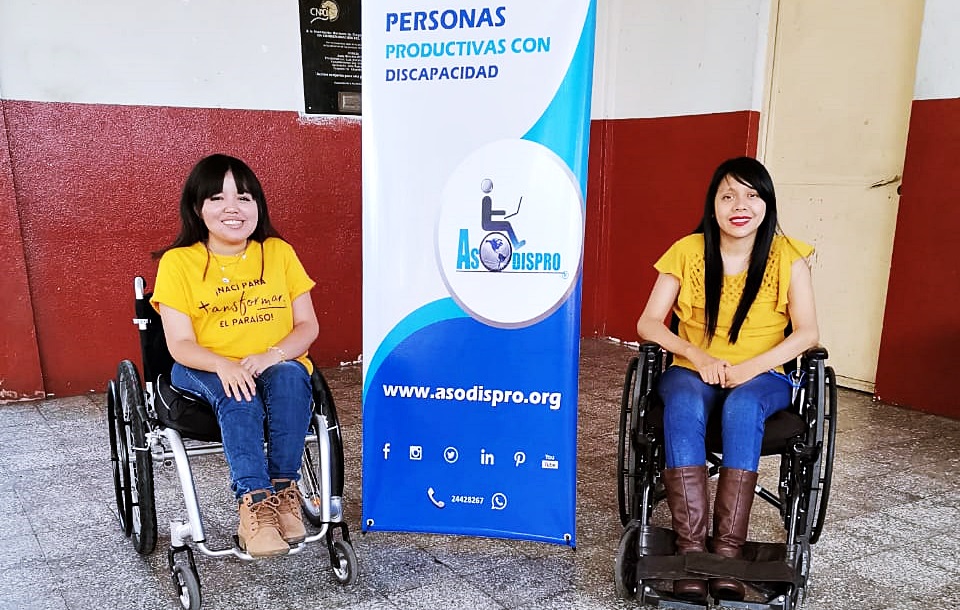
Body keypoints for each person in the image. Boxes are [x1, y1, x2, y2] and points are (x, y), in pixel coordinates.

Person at [635, 157, 818, 602]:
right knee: (682, 402)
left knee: (742, 405)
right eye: (729, 195)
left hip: (763, 376)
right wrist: (696, 355)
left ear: (767, 204)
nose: (741, 205)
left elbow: (809, 333)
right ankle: (692, 552)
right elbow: (649, 324)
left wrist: (750, 369)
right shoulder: (687, 251)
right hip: (693, 371)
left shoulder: (787, 257)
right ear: (713, 204)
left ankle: (727, 553)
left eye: (753, 195)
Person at [151, 154, 320, 558]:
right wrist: (225, 364)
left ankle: (284, 492)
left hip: (271, 360)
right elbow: (180, 344)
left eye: (244, 197)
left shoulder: (278, 253)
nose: (233, 208)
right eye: (217, 198)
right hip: (203, 365)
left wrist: (270, 355)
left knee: (292, 376)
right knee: (238, 389)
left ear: (257, 206)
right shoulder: (179, 263)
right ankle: (254, 507)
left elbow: (307, 327)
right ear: (198, 208)